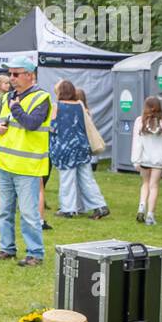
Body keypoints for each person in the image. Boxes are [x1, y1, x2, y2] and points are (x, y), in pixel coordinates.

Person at [0, 55, 51, 267]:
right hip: (6, 163)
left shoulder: (42, 98)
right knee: (4, 211)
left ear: (30, 75)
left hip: (27, 167)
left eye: (16, 74)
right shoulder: (8, 97)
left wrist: (16, 108)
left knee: (28, 214)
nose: (12, 78)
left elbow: (32, 123)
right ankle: (6, 248)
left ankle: (35, 253)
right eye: (10, 74)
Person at [50, 80, 109, 220]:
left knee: (67, 180)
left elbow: (52, 127)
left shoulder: (56, 106)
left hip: (65, 147)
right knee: (87, 178)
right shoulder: (80, 105)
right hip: (81, 146)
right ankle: (99, 206)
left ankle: (68, 209)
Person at [132, 96, 162, 226]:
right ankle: (150, 215)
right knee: (154, 186)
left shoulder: (140, 121)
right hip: (159, 161)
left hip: (144, 159)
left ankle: (141, 207)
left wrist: (136, 160)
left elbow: (137, 142)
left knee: (145, 183)